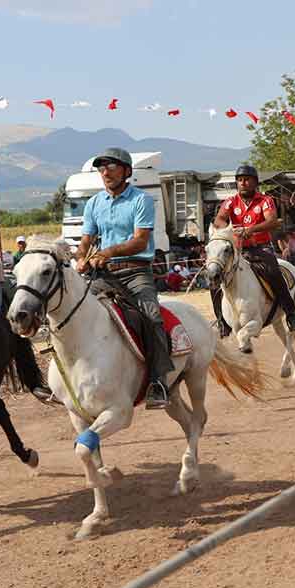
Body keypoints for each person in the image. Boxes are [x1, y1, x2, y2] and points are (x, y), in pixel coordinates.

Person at [75, 147, 171, 409]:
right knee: (74, 311)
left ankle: (158, 381)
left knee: (152, 317)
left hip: (135, 272)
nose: (105, 172)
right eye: (101, 167)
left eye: (111, 166)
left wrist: (108, 252)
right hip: (103, 274)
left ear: (127, 171)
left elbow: (140, 241)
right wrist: (81, 257)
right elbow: (86, 240)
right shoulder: (94, 203)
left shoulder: (141, 200)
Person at [210, 164, 295, 337]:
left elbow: (271, 221)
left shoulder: (265, 201)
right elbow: (219, 220)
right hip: (236, 250)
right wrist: (229, 229)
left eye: (247, 179)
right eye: (240, 180)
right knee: (215, 277)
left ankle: (291, 312)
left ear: (255, 182)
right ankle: (222, 321)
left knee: (273, 271)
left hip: (260, 248)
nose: (243, 183)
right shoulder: (230, 202)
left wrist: (251, 230)